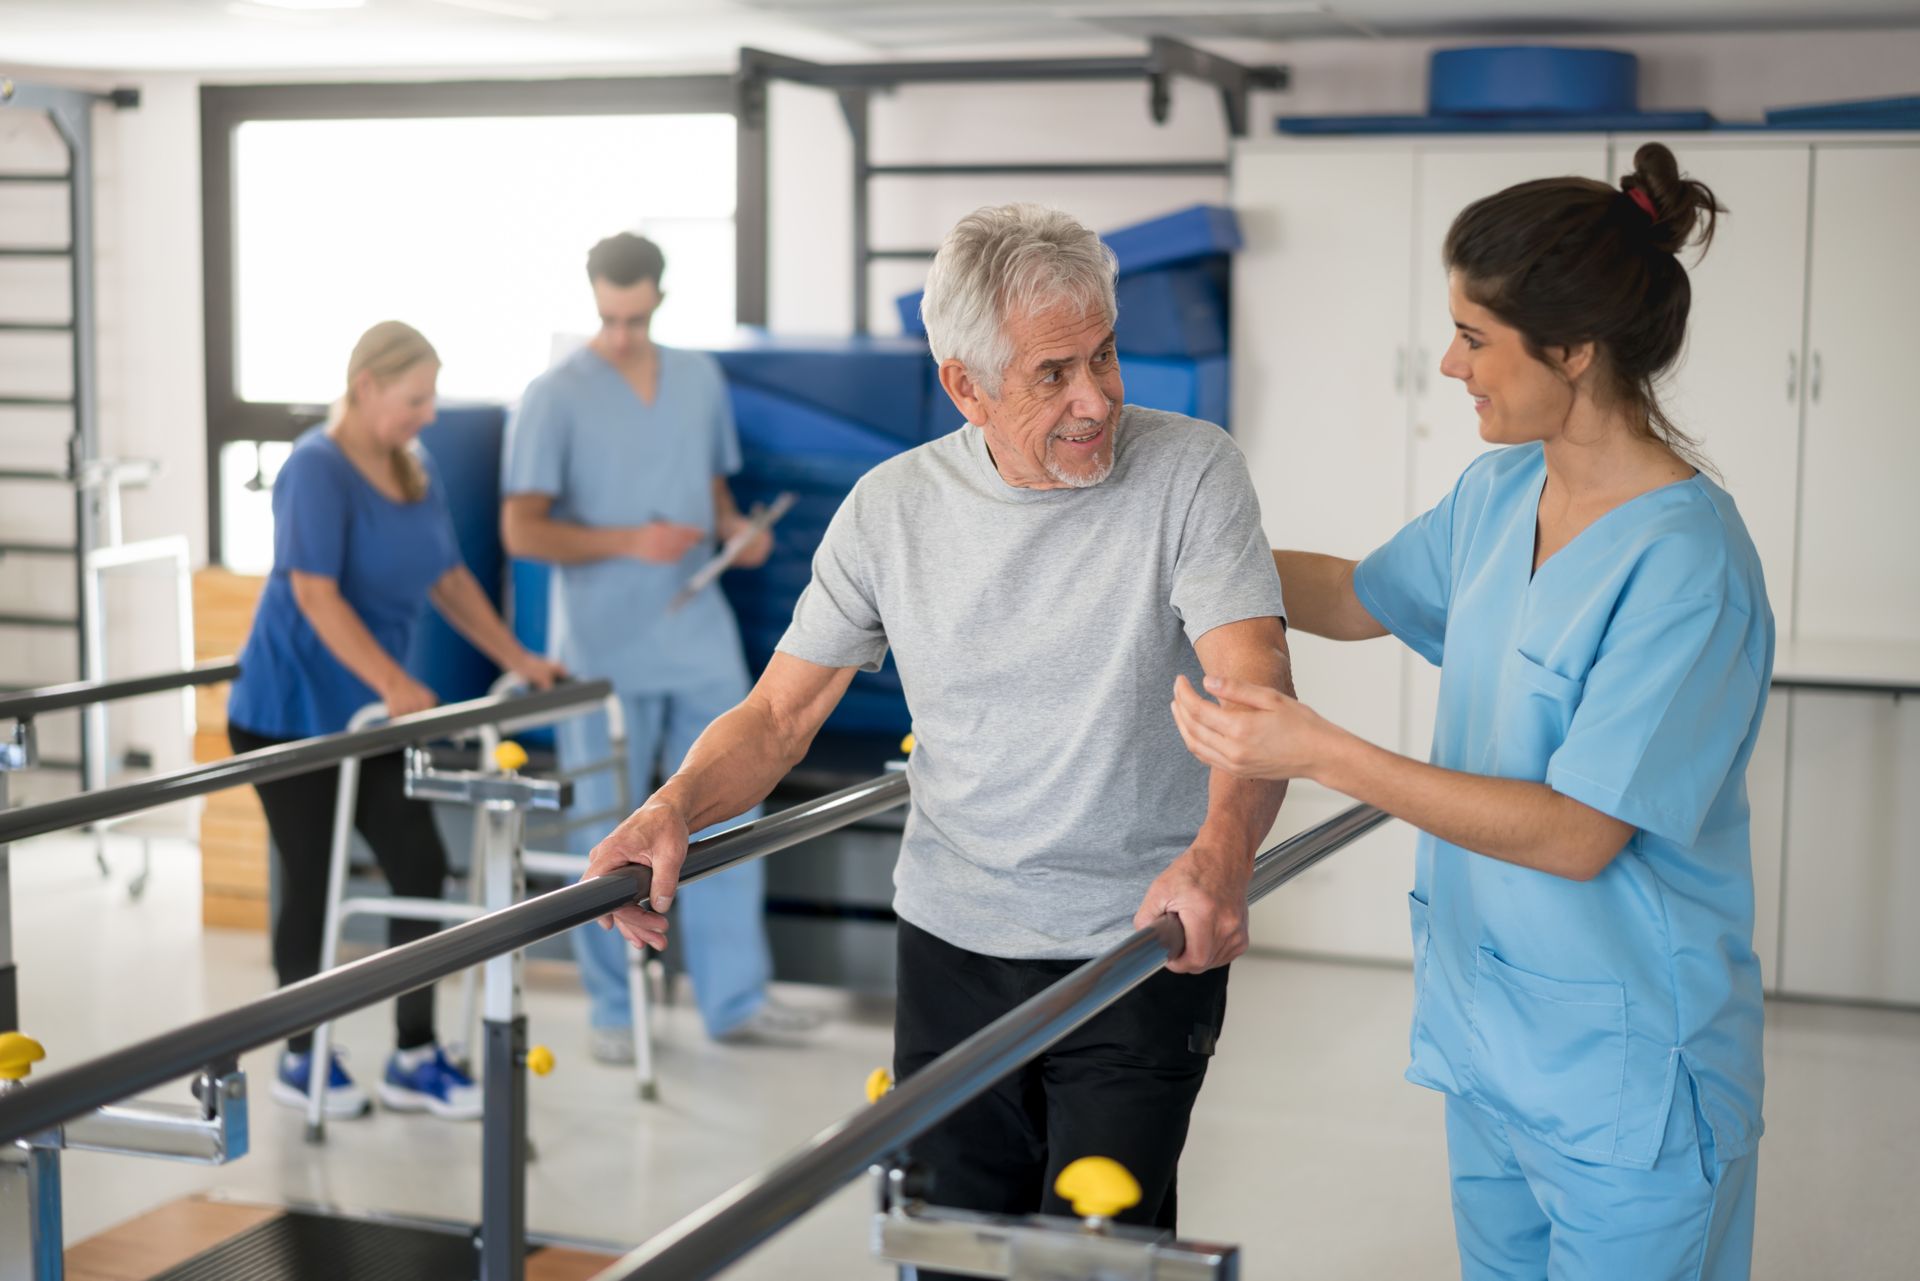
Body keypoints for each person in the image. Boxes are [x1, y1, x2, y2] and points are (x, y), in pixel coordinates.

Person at [584, 204, 1291, 1265]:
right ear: (965, 384)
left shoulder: (1192, 471)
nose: (1096, 398)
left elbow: (1255, 688)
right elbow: (781, 713)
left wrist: (1221, 856)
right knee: (951, 1244)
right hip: (953, 944)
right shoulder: (889, 510)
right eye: (1052, 374)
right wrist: (670, 807)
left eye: (1104, 355)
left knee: (1095, 1256)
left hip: (1136, 944)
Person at [1171, 145, 1767, 1280]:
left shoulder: (1689, 567)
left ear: (1576, 350)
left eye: (1477, 337)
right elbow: (1354, 595)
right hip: (1495, 1044)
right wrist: (1173, 560)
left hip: (1629, 1072)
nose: (1449, 363)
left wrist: (1326, 754)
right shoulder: (1503, 492)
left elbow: (1578, 832)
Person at [228, 320, 563, 1122]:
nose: (429, 413)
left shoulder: (414, 468)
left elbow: (448, 577)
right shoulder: (315, 468)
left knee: (418, 866)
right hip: (291, 713)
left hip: (369, 719)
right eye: (415, 397)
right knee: (313, 877)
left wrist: (522, 655)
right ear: (366, 386)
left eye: (433, 396)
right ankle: (302, 1054)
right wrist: (393, 678)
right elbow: (314, 593)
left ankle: (413, 1054)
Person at [500, 232, 817, 1057]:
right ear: (592, 297)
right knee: (606, 826)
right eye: (609, 317)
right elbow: (521, 526)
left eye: (637, 318)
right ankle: (615, 1012)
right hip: (602, 639)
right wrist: (624, 541)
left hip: (695, 628)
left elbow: (712, 496)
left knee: (728, 802)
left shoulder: (697, 379)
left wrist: (738, 533)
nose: (623, 335)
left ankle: (735, 999)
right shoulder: (553, 395)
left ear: (660, 300)